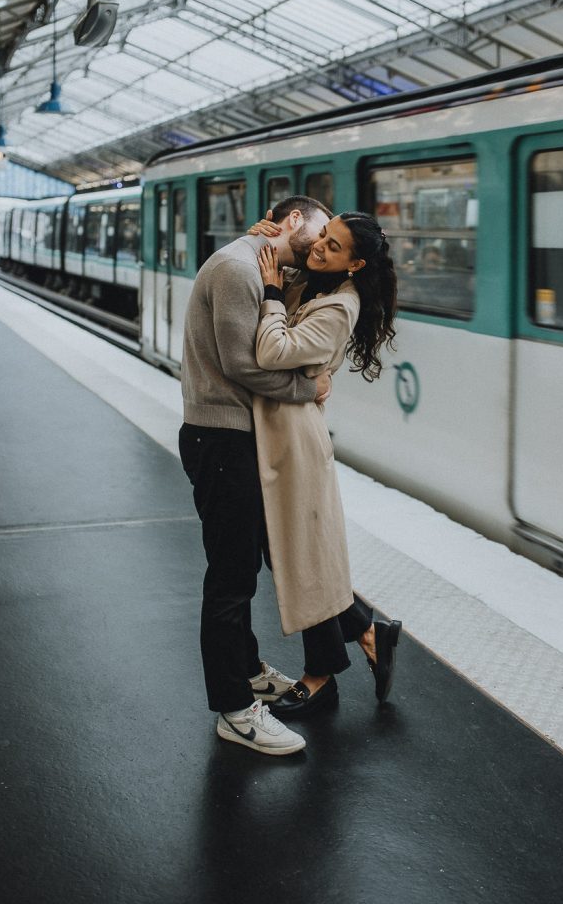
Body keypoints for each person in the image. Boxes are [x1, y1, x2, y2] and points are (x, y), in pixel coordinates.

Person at [178, 195, 333, 757]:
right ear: (293, 219)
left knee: (241, 566)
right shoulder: (237, 268)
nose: (320, 246)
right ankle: (235, 711)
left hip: (232, 440)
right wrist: (306, 390)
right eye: (318, 233)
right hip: (220, 441)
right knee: (231, 578)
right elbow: (244, 363)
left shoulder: (258, 265)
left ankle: (245, 670)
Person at [250, 211, 402, 718]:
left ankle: (320, 678)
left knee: (300, 557)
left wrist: (272, 295)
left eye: (334, 247)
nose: (319, 247)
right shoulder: (315, 283)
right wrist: (263, 237)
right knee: (288, 552)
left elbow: (274, 351)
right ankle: (365, 630)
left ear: (355, 264)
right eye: (323, 236)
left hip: (296, 440)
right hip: (281, 431)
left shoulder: (339, 306)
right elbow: (277, 262)